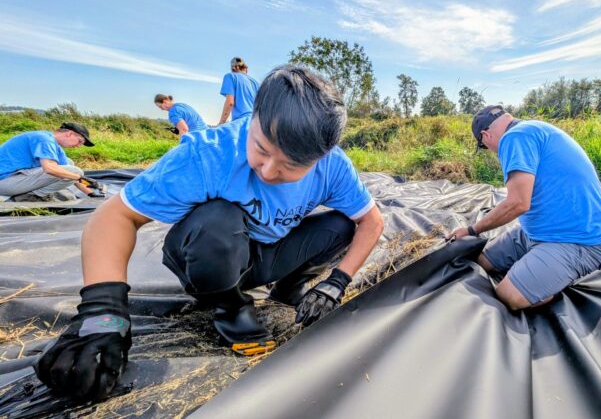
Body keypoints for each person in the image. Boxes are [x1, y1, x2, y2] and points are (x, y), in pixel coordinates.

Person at [35, 65, 385, 401]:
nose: (267, 170)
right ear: (254, 119)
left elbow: (372, 221)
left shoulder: (333, 167)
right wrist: (102, 312)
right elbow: (113, 217)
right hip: (206, 255)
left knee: (341, 224)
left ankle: (289, 289)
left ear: (319, 158)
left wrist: (336, 282)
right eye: (260, 149)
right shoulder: (208, 153)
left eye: (290, 166)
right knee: (219, 217)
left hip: (263, 255)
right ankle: (229, 308)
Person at [449, 105, 601, 310]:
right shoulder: (530, 129)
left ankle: (549, 284)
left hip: (577, 240)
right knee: (481, 261)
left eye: (483, 146)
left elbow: (518, 203)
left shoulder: (514, 138)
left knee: (508, 296)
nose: (490, 151)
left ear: (485, 135)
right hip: (537, 231)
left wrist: (472, 230)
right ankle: (536, 271)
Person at [0, 123, 104, 202]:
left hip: (14, 179)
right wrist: (80, 177)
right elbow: (49, 169)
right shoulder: (44, 140)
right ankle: (29, 197)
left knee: (68, 164)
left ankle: (33, 194)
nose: (78, 146)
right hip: (4, 181)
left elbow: (72, 176)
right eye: (80, 141)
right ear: (70, 134)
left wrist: (92, 194)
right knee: (74, 171)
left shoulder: (54, 145)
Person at [217, 56, 259, 125]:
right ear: (246, 68)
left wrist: (221, 123)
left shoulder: (230, 76)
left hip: (241, 123)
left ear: (233, 68)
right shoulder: (256, 83)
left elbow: (230, 102)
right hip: (257, 123)